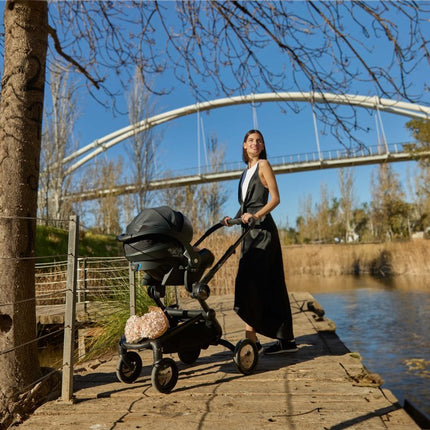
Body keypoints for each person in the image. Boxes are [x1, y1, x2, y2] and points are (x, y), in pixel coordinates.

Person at [223, 129, 297, 355]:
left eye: (259, 141)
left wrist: (256, 216)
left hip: (263, 233)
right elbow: (247, 206)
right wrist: (232, 219)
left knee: (253, 281)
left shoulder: (263, 165)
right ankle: (284, 340)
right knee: (262, 283)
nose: (255, 144)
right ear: (244, 145)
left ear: (262, 146)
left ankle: (253, 339)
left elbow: (275, 198)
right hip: (249, 233)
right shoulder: (244, 173)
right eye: (251, 141)